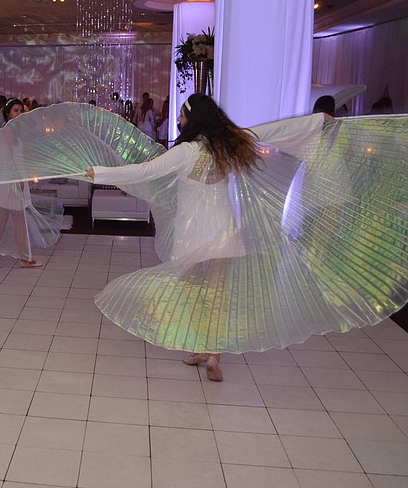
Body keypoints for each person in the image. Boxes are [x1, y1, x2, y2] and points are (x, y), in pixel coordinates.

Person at [86, 94, 329, 381]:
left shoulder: (187, 150)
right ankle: (211, 353)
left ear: (194, 118)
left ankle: (204, 347)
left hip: (192, 234)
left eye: (181, 115)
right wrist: (318, 120)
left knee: (192, 294)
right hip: (223, 232)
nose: (177, 119)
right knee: (216, 296)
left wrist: (99, 174)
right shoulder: (230, 142)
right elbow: (275, 130)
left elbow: (145, 170)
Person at [0, 98, 43, 269]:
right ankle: (24, 258)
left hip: (13, 177)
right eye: (15, 111)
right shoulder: (8, 130)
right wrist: (18, 179)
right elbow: (9, 156)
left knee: (3, 220)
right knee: (18, 220)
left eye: (20, 111)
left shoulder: (16, 129)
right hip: (11, 179)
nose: (19, 114)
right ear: (8, 113)